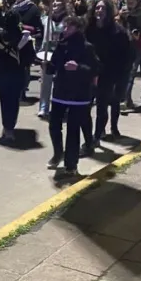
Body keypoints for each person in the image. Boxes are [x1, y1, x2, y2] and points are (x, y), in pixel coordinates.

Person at [46, 16, 98, 178]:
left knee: (73, 130)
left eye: (68, 27)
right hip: (60, 92)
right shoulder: (61, 46)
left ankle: (71, 164)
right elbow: (54, 65)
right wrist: (48, 66)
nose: (64, 29)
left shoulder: (87, 47)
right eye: (64, 26)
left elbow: (95, 69)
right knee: (54, 126)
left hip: (79, 95)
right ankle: (57, 152)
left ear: (77, 28)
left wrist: (79, 68)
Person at [86, 0, 130, 143]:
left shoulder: (118, 31)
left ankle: (97, 135)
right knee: (85, 107)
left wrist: (119, 78)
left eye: (103, 8)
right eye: (97, 8)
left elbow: (126, 56)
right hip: (87, 72)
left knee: (102, 106)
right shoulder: (88, 28)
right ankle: (88, 135)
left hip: (107, 74)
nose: (99, 11)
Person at [0, 11, 35, 143]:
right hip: (18, 73)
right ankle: (10, 127)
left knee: (5, 102)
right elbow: (30, 58)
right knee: (14, 102)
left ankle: (7, 127)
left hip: (3, 73)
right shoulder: (25, 38)